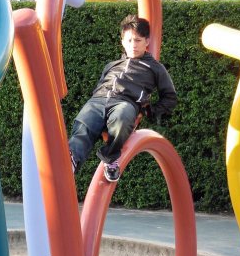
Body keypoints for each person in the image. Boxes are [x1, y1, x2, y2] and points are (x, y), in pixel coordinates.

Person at [68, 14, 177, 182]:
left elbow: (169, 97)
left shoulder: (155, 68)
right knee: (84, 121)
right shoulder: (112, 65)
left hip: (126, 102)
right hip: (99, 99)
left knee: (122, 117)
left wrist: (150, 111)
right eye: (129, 40)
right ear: (122, 41)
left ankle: (111, 159)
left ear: (147, 42)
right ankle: (72, 159)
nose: (133, 45)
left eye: (138, 40)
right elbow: (99, 86)